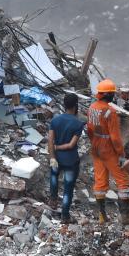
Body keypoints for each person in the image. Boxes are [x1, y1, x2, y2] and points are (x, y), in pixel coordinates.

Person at [86, 79, 129, 224]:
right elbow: (115, 138)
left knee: (100, 182)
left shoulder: (92, 107)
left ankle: (102, 216)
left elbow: (89, 129)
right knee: (123, 181)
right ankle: (126, 216)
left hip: (96, 147)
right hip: (108, 149)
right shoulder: (110, 112)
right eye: (112, 93)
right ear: (108, 95)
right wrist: (121, 154)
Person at [48, 93, 85, 224]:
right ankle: (65, 216)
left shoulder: (55, 120)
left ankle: (52, 200)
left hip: (56, 158)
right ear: (75, 106)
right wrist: (58, 148)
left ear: (64, 105)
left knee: (53, 177)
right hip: (71, 160)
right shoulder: (78, 124)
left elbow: (50, 141)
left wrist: (53, 155)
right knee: (68, 189)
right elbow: (71, 145)